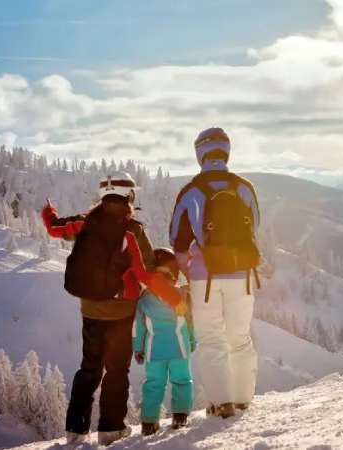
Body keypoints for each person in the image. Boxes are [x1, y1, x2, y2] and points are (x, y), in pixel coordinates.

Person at [41, 172, 183, 446]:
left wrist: (49, 211)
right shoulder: (132, 230)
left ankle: (75, 430)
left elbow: (55, 228)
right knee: (117, 369)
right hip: (120, 311)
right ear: (129, 196)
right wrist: (176, 299)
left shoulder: (85, 222)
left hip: (90, 309)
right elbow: (146, 274)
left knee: (89, 368)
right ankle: (111, 429)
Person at [170, 127, 261, 419]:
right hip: (243, 275)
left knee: (211, 339)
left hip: (205, 278)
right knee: (240, 337)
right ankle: (243, 399)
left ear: (199, 153)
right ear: (226, 151)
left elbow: (177, 239)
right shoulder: (244, 187)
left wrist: (190, 270)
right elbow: (254, 228)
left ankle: (222, 403)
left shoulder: (191, 191)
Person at [133, 248, 195, 435]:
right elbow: (190, 321)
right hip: (179, 348)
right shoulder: (181, 295)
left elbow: (139, 328)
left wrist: (138, 348)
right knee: (182, 381)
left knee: (153, 384)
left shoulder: (144, 299)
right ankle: (180, 416)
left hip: (154, 352)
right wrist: (192, 340)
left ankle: (149, 423)